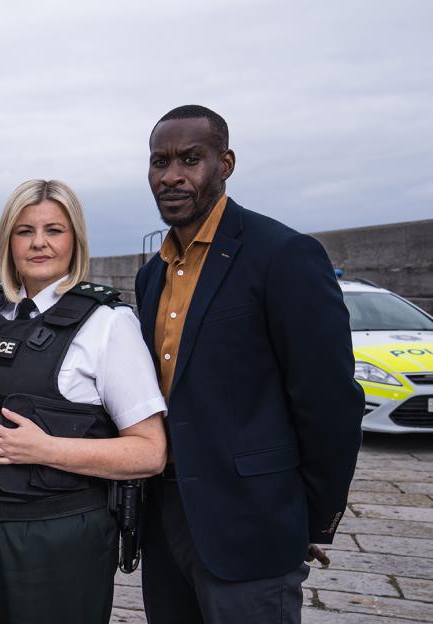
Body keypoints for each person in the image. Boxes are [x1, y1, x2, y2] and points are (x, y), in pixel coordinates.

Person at [135, 105, 364, 623]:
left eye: (190, 159)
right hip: (166, 522)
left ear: (226, 162)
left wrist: (304, 519)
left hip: (253, 526)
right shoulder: (152, 276)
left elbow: (329, 403)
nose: (172, 176)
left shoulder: (283, 254)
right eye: (159, 162)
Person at [0, 179, 167, 624]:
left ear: (75, 239)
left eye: (54, 230)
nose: (39, 243)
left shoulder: (107, 324)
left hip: (53, 539)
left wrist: (46, 450)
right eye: (24, 231)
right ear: (8, 241)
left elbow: (150, 451)